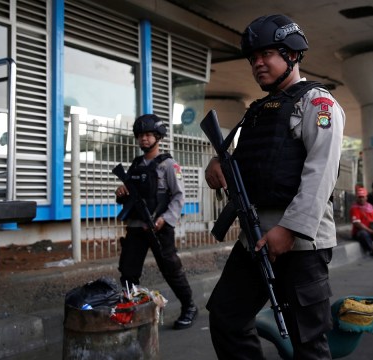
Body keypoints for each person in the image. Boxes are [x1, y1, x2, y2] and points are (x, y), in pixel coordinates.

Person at [204, 14, 345, 359]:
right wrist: (218, 162)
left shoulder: (317, 103)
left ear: (292, 54)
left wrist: (290, 229)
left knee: (307, 341)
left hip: (300, 243)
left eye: (266, 54)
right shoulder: (257, 111)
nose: (258, 64)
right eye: (253, 58)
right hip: (255, 236)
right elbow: (247, 159)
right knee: (226, 317)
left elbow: (320, 174)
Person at [114, 114, 198, 330]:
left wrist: (165, 219)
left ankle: (189, 306)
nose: (144, 139)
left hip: (159, 227)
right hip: (135, 227)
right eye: (141, 135)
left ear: (158, 137)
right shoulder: (134, 166)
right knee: (129, 271)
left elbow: (179, 196)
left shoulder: (168, 165)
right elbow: (128, 196)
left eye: (149, 134)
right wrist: (121, 192)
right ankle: (131, 310)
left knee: (171, 269)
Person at [351, 187, 373, 257]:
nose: (361, 199)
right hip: (360, 232)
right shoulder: (354, 208)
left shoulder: (370, 206)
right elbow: (357, 223)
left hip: (372, 230)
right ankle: (372, 250)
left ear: (366, 197)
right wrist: (370, 231)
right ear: (357, 198)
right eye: (359, 197)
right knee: (363, 233)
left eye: (363, 197)